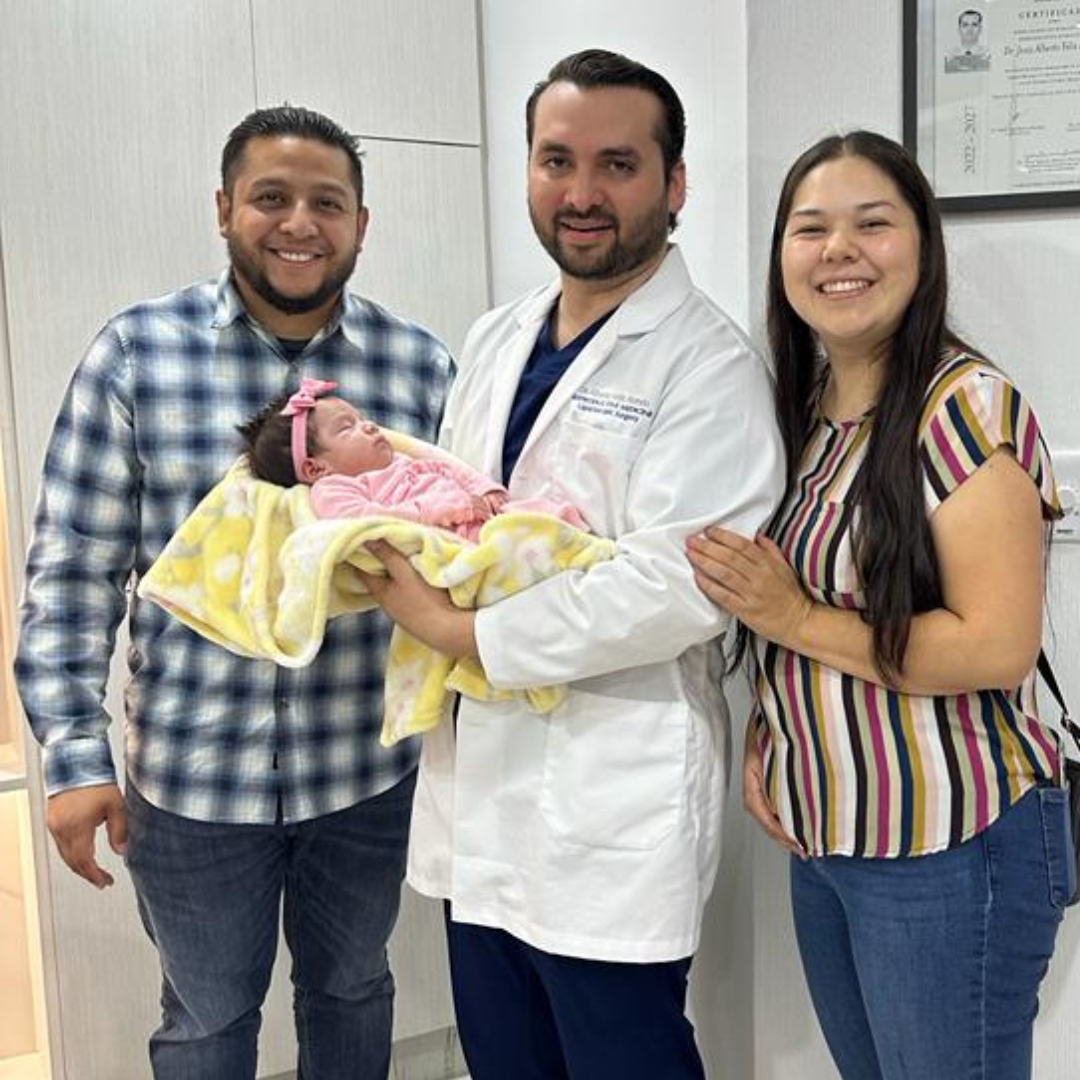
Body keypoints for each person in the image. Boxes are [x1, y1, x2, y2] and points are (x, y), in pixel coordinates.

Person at [357, 49, 784, 1079]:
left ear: (674, 185)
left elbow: (680, 584)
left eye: (617, 164)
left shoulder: (708, 364)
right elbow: (462, 524)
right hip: (485, 800)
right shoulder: (497, 337)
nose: (582, 193)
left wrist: (463, 633)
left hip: (610, 798)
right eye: (557, 161)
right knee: (504, 1062)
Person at [15, 105, 452, 1079]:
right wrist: (76, 760)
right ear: (224, 210)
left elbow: (464, 534)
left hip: (365, 775)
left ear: (361, 224)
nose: (299, 222)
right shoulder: (136, 353)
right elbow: (73, 573)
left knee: (353, 991)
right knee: (207, 1021)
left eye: (326, 203)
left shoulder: (419, 367)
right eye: (271, 198)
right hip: (191, 786)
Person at [687, 130, 1070, 1080]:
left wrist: (794, 624)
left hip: (952, 839)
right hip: (829, 831)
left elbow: (996, 645)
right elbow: (798, 601)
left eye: (872, 225)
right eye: (809, 229)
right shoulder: (806, 409)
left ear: (924, 246)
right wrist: (769, 729)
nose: (838, 251)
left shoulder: (965, 407)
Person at [238, 378, 587, 538]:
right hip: (455, 533)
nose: (371, 426)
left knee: (546, 514)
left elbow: (448, 467)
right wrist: (443, 510)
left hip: (479, 516)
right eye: (349, 428)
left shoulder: (402, 464)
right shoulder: (334, 491)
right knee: (519, 541)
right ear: (316, 467)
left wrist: (487, 489)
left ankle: (582, 545)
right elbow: (367, 521)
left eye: (362, 419)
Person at [946, 8, 990, 72]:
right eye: (965, 25)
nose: (970, 29)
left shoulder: (987, 55)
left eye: (974, 25)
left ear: (980, 29)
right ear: (959, 29)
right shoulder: (949, 56)